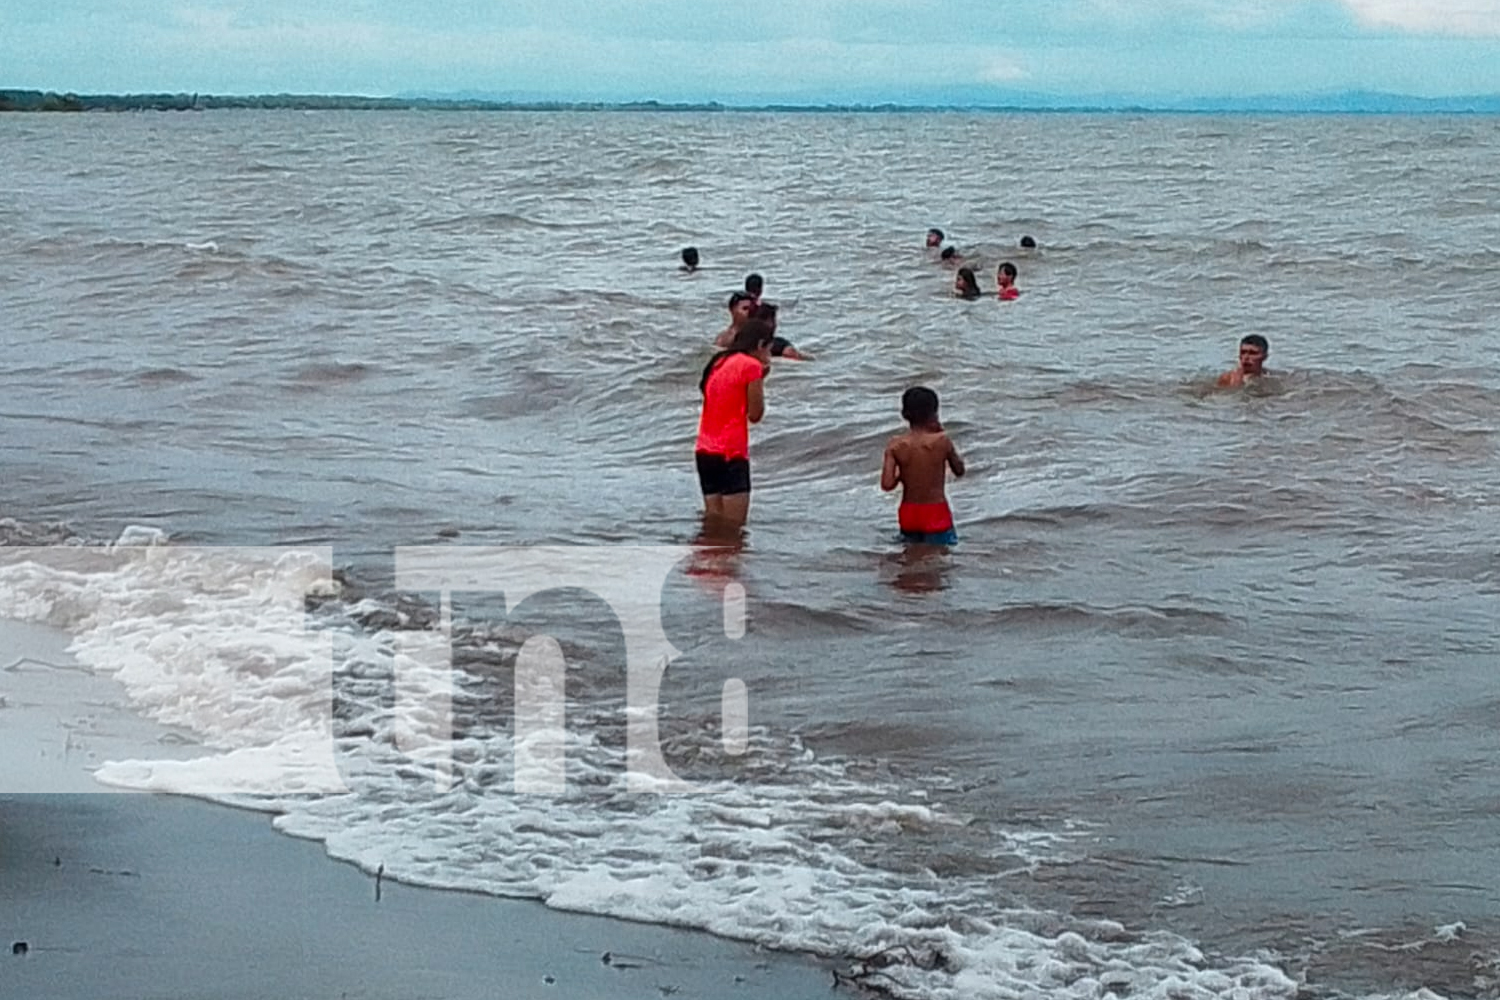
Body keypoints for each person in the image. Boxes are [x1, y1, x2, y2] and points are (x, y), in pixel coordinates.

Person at [697, 321, 775, 529]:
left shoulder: (718, 361)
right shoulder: (751, 366)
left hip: (704, 450)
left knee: (714, 522)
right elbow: (755, 414)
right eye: (769, 348)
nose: (769, 354)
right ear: (760, 345)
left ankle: (707, 560)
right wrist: (760, 381)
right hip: (731, 452)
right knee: (733, 528)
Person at [881, 387, 965, 546]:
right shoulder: (942, 441)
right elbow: (959, 471)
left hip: (909, 513)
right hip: (935, 511)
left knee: (911, 552)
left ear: (904, 414)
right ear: (934, 414)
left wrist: (903, 475)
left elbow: (887, 485)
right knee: (941, 556)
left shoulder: (895, 446)